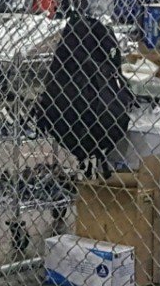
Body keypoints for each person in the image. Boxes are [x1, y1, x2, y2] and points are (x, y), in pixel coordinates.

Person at [33, 14, 133, 176]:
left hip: (67, 121)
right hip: (103, 123)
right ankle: (96, 163)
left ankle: (86, 162)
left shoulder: (70, 45)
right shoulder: (102, 38)